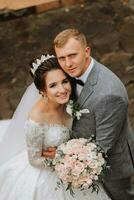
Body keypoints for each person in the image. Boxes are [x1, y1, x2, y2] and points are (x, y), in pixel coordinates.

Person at [0, 54, 111, 200]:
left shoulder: (71, 100)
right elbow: (34, 160)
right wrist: (65, 159)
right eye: (53, 85)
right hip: (48, 172)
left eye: (64, 81)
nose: (63, 89)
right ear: (42, 91)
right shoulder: (36, 119)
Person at [53, 28, 134, 200]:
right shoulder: (67, 75)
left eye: (73, 55)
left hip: (111, 166)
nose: (68, 64)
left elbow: (102, 146)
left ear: (87, 51)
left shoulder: (109, 94)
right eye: (62, 58)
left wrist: (64, 160)